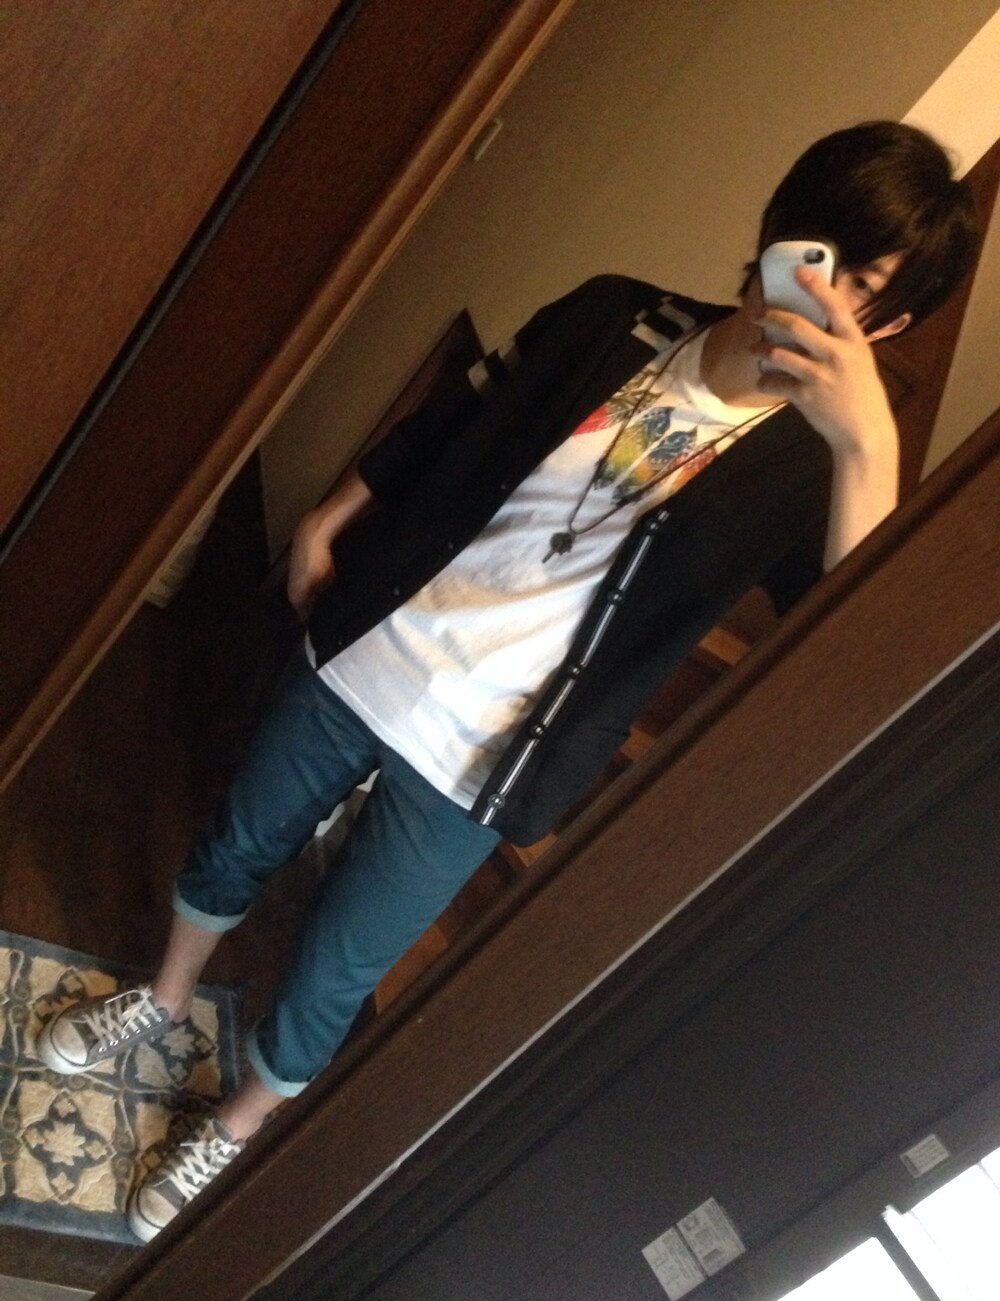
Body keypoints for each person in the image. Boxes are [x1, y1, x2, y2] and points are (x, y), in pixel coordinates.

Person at [36, 121, 978, 1243]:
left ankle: (234, 1126)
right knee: (240, 837)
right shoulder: (615, 314)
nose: (817, 289)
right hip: (375, 647)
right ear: (780, 222)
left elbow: (847, 657)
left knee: (337, 971)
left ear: (889, 323)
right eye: (817, 247)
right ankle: (163, 996)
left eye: (860, 284)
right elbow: (456, 415)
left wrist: (869, 449)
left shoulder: (811, 472)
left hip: (485, 763)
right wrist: (334, 512)